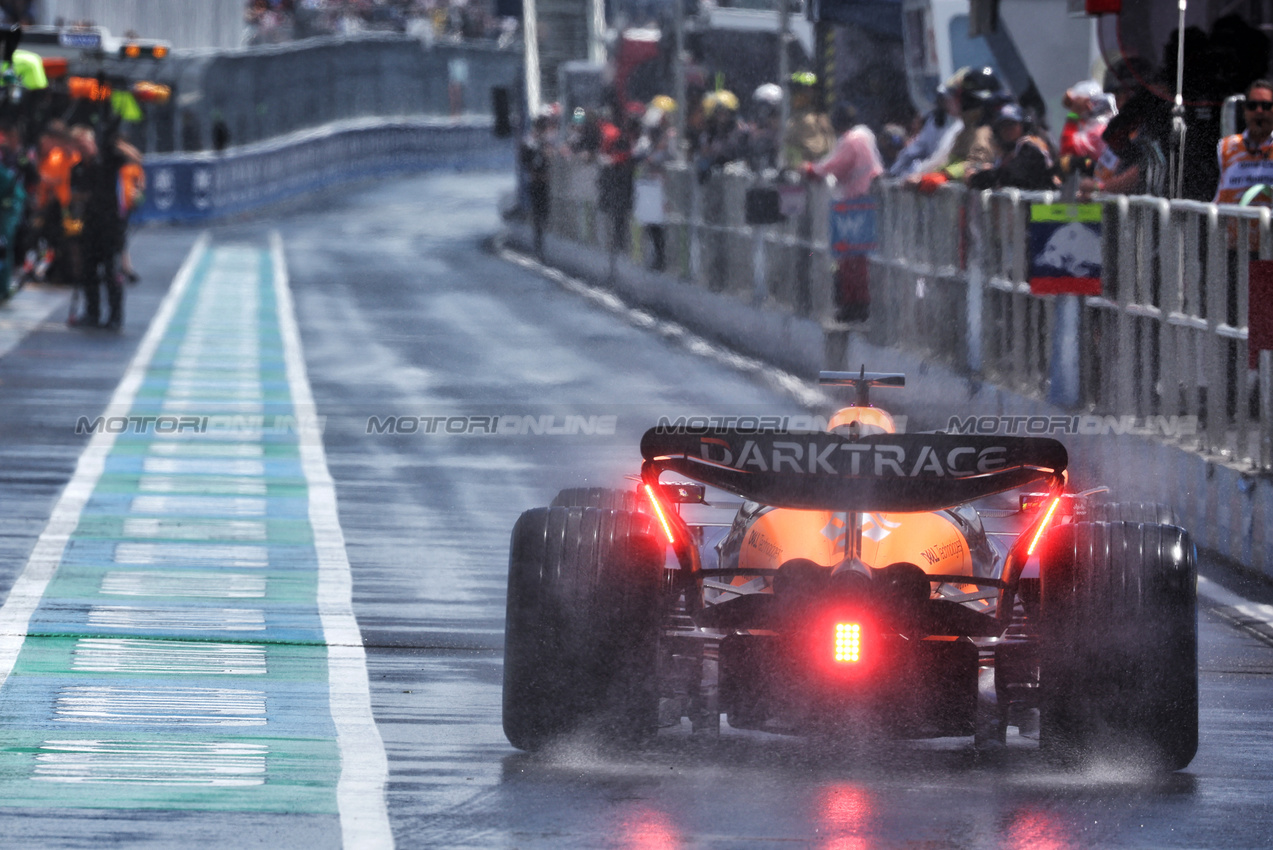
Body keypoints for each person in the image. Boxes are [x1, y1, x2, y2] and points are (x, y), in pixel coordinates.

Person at [806, 102, 883, 323]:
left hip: (855, 205)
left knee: (851, 259)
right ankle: (859, 305)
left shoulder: (851, 140)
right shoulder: (865, 135)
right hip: (864, 201)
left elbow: (834, 165)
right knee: (859, 259)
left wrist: (811, 169)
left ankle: (854, 306)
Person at [67, 124, 127, 329]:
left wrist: (116, 144)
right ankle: (92, 313)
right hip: (88, 226)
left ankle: (115, 316)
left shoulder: (107, 161)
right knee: (88, 271)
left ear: (92, 143)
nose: (82, 148)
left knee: (111, 273)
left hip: (110, 227)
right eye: (78, 145)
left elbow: (133, 158)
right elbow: (74, 199)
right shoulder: (77, 169)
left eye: (85, 144)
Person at [888, 68, 967, 178]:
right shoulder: (952, 124)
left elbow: (944, 159)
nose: (948, 103)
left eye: (952, 98)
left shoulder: (967, 126)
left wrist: (924, 174)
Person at [967, 103, 1056, 191]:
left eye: (1012, 124)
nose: (1007, 129)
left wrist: (976, 179)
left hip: (1043, 203)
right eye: (1003, 125)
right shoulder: (1006, 152)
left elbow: (1011, 175)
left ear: (1023, 126)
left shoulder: (1030, 146)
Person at [783, 72, 834, 169]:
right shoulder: (799, 119)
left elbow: (817, 151)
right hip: (796, 176)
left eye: (798, 92)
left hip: (809, 177)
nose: (794, 97)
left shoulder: (808, 121)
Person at [520, 113, 553, 259]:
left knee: (544, 211)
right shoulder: (529, 142)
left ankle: (543, 240)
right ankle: (538, 242)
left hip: (544, 180)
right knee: (538, 211)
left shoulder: (546, 142)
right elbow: (525, 160)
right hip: (536, 180)